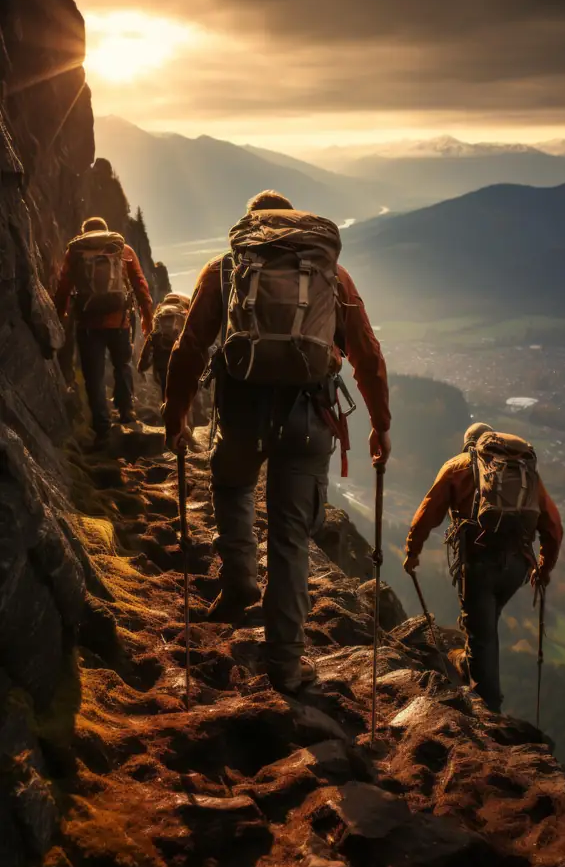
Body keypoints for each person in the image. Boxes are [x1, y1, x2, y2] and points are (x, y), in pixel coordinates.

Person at [163, 189, 391, 695]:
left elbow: (190, 346)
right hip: (309, 416)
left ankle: (239, 580)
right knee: (290, 539)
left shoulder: (224, 269)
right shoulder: (331, 274)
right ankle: (285, 665)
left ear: (251, 227)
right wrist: (380, 424)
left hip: (242, 410)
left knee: (233, 487)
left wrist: (175, 414)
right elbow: (368, 356)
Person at [403, 422, 563, 712]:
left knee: (483, 635)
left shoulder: (458, 466)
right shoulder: (524, 473)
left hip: (479, 562)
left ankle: (488, 710)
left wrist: (412, 551)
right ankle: (468, 660)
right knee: (485, 620)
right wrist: (543, 568)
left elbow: (427, 512)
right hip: (518, 567)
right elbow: (554, 526)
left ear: (469, 444)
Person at [55, 216, 154, 445]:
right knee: (122, 365)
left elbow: (63, 286)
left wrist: (60, 314)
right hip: (119, 321)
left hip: (88, 324)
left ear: (84, 233)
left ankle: (102, 427)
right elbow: (140, 285)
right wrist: (147, 318)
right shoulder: (122, 250)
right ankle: (126, 411)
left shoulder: (76, 252)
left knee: (94, 376)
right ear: (106, 231)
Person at [138, 291, 191, 401]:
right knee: (187, 394)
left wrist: (142, 367)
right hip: (182, 361)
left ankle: (168, 414)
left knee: (166, 393)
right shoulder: (185, 312)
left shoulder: (158, 324)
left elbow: (148, 346)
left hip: (162, 364)